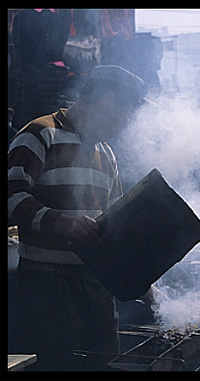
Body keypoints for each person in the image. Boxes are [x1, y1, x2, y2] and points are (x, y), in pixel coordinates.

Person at [7, 65, 147, 371]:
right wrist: (61, 222)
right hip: (47, 286)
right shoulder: (39, 133)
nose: (126, 125)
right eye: (125, 114)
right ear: (107, 100)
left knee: (102, 366)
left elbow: (114, 222)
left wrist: (142, 277)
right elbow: (11, 197)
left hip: (96, 288)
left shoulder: (106, 153)